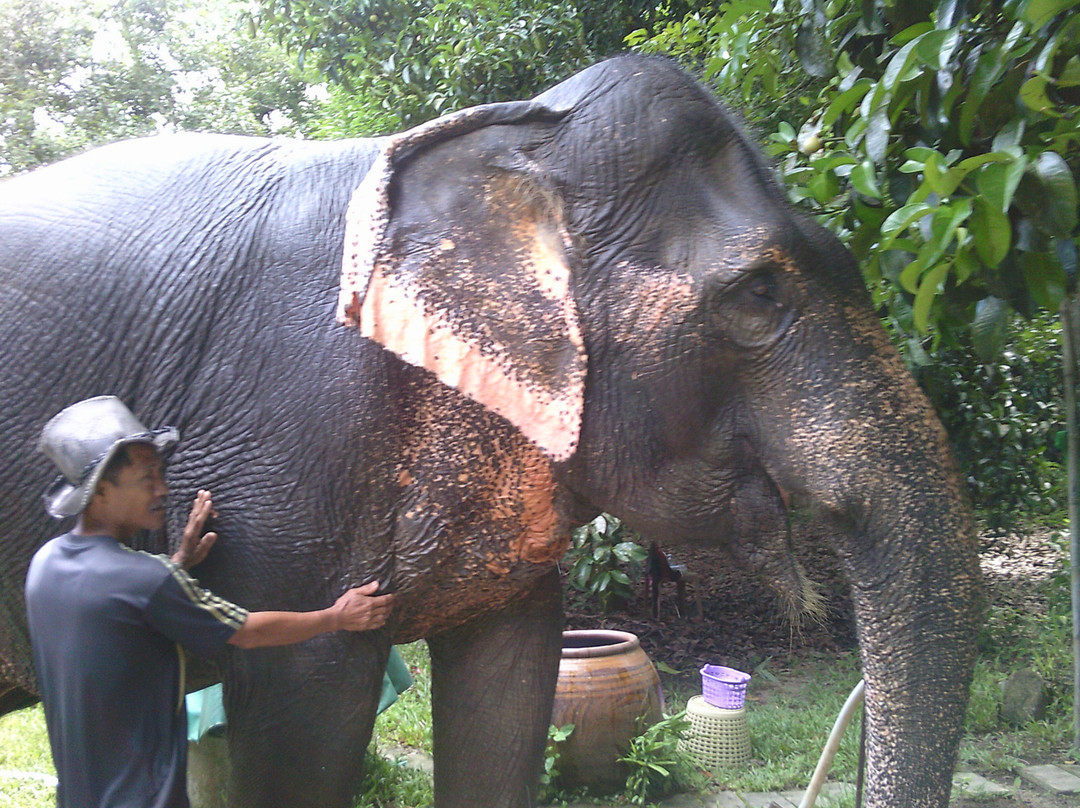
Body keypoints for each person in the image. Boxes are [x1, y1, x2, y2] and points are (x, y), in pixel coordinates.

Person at [25, 395, 394, 808]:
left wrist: (180, 563)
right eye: (147, 478)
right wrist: (335, 617)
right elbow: (248, 633)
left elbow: (115, 607)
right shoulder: (147, 579)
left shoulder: (45, 565)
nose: (162, 488)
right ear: (101, 493)